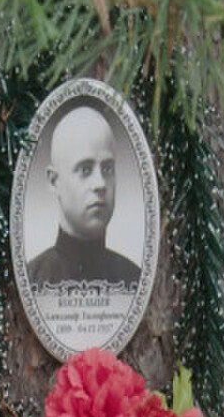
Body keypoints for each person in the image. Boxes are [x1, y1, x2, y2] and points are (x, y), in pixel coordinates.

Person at [26, 103, 142, 288]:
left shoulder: (134, 280)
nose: (101, 184)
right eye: (85, 170)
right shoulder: (32, 281)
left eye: (107, 168)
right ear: (54, 181)